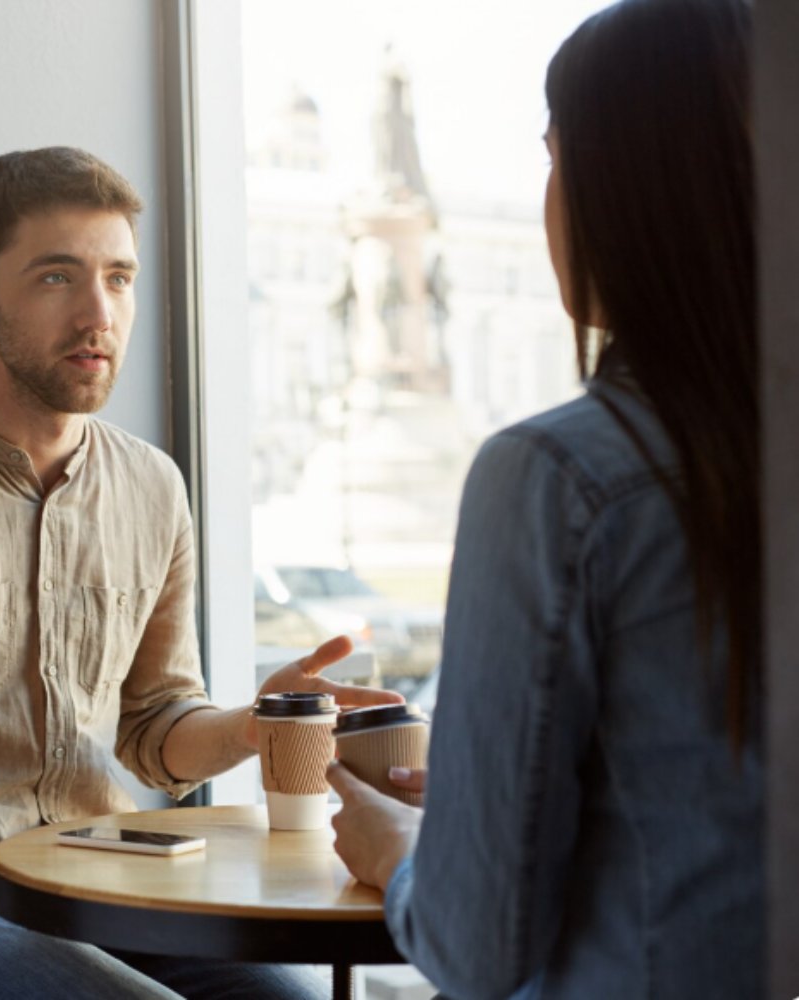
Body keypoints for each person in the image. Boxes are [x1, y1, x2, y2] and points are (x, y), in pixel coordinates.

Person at [0, 146, 401, 1000]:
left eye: (119, 278)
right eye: (58, 278)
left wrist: (249, 727)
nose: (100, 313)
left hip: (113, 887)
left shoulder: (154, 486)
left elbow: (156, 732)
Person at [326, 1, 765, 997]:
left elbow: (478, 946)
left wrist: (404, 850)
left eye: (554, 158)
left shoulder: (559, 477)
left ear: (624, 189)